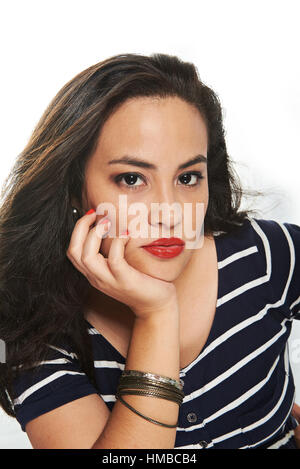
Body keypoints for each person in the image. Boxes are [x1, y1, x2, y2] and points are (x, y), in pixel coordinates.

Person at [0, 52, 299, 449]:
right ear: (75, 189)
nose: (170, 213)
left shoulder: (263, 256)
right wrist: (157, 313)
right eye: (131, 178)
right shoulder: (34, 330)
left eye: (189, 177)